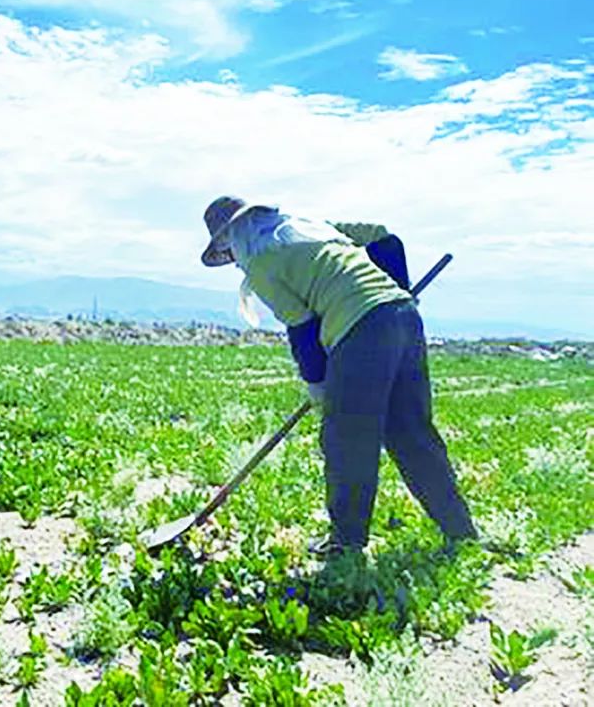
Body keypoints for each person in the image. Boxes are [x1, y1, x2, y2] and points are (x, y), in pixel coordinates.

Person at [200, 196, 477, 556]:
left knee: (346, 438)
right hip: (402, 315)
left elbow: (301, 327)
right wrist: (398, 290)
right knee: (411, 432)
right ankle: (462, 532)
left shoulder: (261, 264)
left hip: (360, 328)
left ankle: (346, 544)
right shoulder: (315, 228)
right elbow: (385, 239)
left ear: (233, 239)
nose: (234, 261)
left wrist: (317, 384)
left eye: (229, 251)